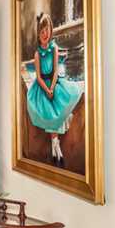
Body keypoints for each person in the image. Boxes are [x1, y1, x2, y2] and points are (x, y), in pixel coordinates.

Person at [25, 13, 82, 167]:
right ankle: (56, 148)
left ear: (51, 31)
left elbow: (56, 71)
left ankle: (55, 147)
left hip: (55, 83)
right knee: (49, 114)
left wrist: (52, 88)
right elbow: (38, 76)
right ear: (39, 33)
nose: (45, 34)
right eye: (42, 31)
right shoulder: (37, 54)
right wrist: (46, 90)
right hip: (42, 85)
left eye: (47, 30)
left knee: (61, 107)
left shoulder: (54, 48)